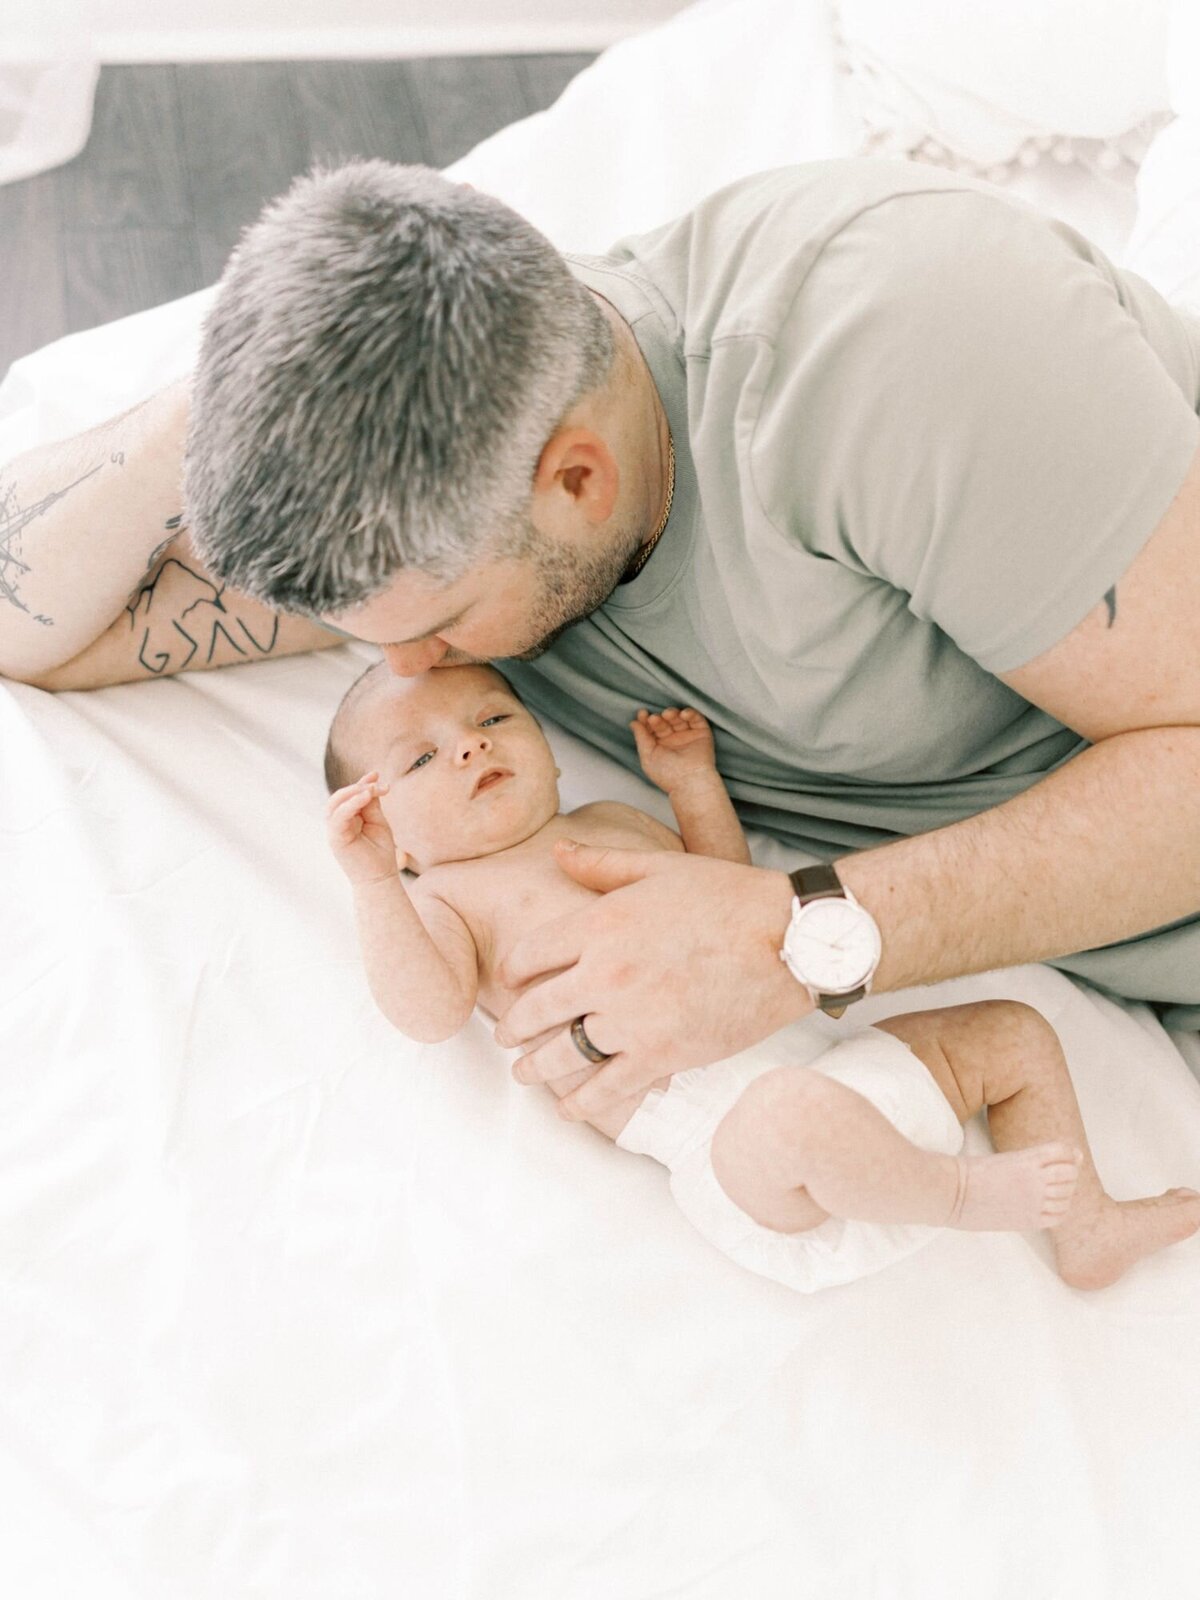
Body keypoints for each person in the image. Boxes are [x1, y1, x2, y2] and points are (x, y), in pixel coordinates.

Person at [3, 157, 1200, 1125]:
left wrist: (797, 937)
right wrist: (228, 406)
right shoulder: (431, 478)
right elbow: (29, 621)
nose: (412, 674)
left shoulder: (897, 353)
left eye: (441, 627)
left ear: (577, 480)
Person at [321, 658, 1200, 1293]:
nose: (469, 749)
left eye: (491, 719)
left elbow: (733, 904)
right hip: (740, 1154)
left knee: (1013, 1031)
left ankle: (1086, 1226)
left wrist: (693, 786)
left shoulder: (610, 819)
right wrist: (370, 885)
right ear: (391, 837)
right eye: (422, 760)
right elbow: (429, 1011)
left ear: (548, 752)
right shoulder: (445, 899)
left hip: (842, 1068)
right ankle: (964, 1193)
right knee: (791, 1112)